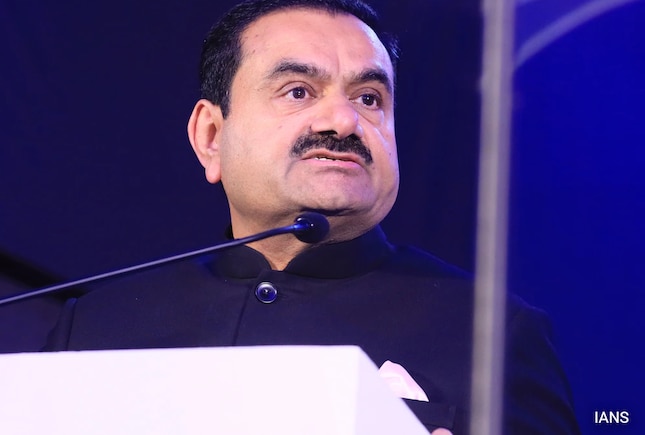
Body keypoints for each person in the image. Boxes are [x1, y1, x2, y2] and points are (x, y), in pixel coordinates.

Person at [46, 0, 579, 433]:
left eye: (369, 98)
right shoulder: (95, 328)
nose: (343, 121)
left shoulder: (492, 337)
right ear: (211, 136)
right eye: (298, 91)